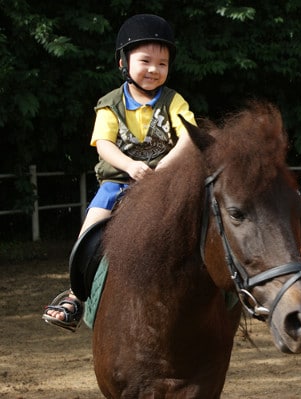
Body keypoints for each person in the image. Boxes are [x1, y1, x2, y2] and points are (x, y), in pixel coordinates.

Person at [42, 14, 197, 332]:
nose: (154, 69)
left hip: (164, 181)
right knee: (90, 231)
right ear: (123, 63)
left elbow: (189, 136)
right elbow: (103, 144)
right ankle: (75, 297)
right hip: (118, 182)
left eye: (162, 64)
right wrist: (129, 166)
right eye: (145, 61)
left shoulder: (174, 101)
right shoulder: (110, 104)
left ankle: (223, 290)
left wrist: (166, 166)